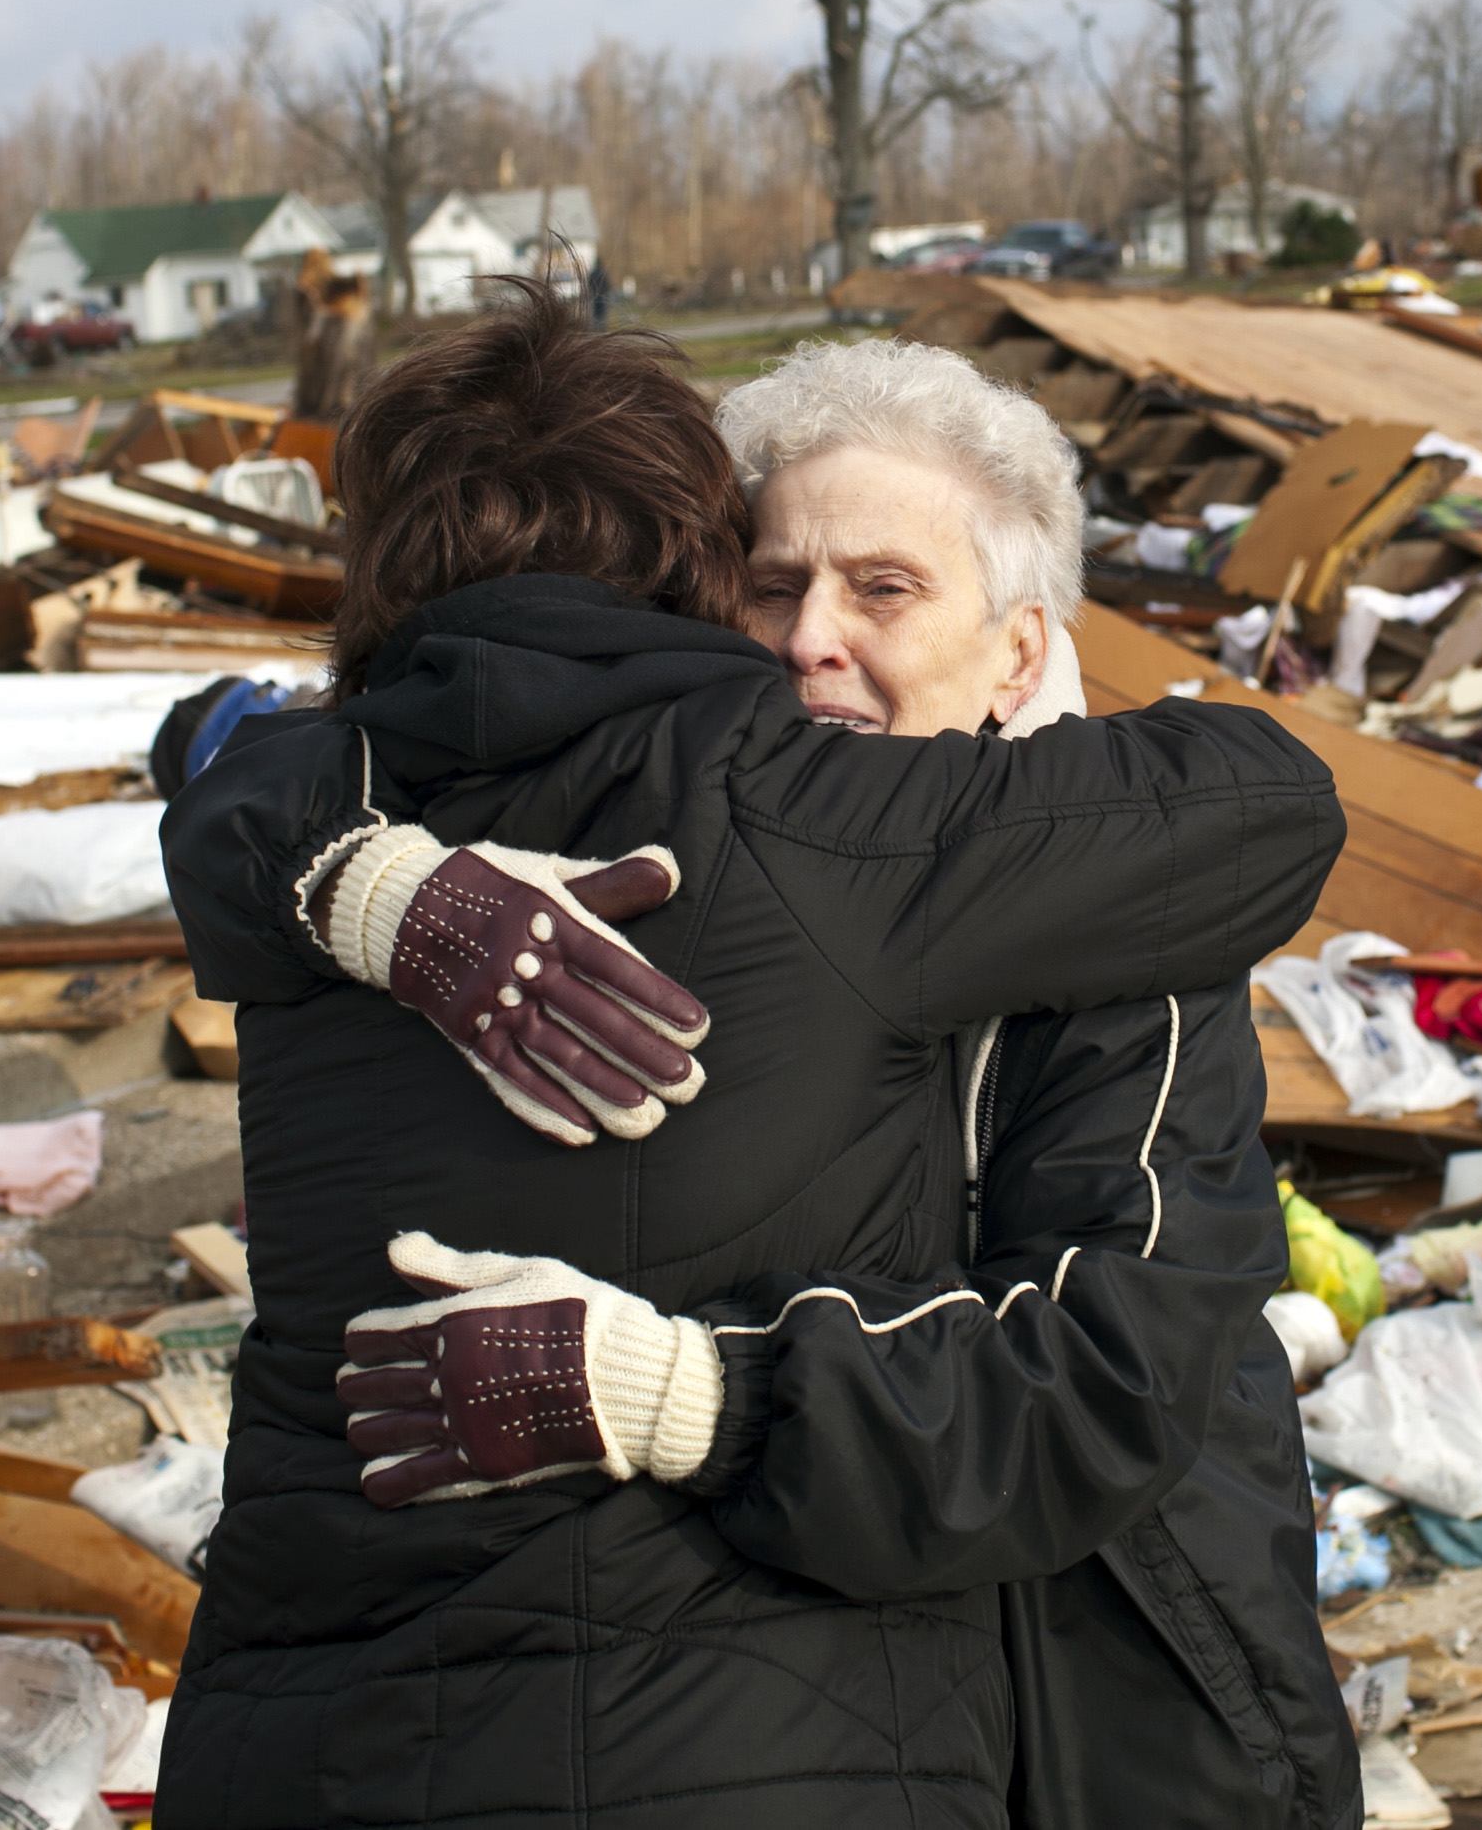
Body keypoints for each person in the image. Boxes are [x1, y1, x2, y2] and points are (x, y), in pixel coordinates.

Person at [158, 289, 1344, 1828]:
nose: (810, 641)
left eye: (886, 588)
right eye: (772, 583)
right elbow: (224, 740)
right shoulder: (635, 851)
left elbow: (1101, 1383)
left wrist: (691, 1390)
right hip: (842, 1713)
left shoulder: (1135, 949)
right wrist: (361, 877)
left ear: (1020, 653)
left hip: (1112, 1693)